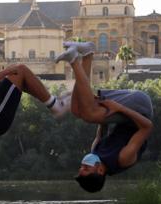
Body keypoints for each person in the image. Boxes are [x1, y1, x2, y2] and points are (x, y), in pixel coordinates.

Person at [55, 41, 153, 193]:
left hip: (123, 115)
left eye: (81, 167)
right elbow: (147, 127)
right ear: (100, 171)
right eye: (86, 168)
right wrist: (119, 108)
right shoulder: (123, 159)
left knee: (76, 110)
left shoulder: (96, 152)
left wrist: (90, 100)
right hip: (140, 109)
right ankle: (74, 60)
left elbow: (103, 125)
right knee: (88, 114)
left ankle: (87, 54)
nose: (82, 164)